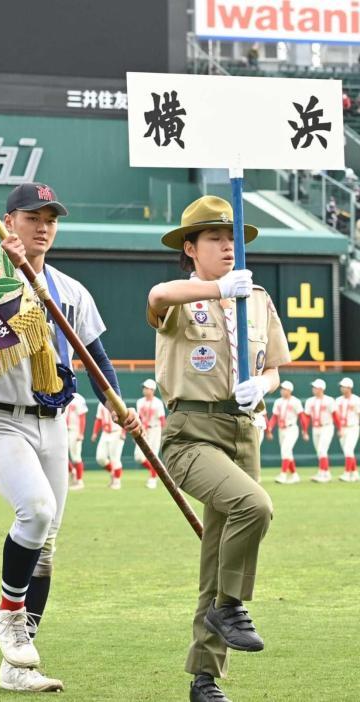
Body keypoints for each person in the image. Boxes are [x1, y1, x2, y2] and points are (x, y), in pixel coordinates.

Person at [0, 183, 138, 692]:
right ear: (8, 221)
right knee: (37, 512)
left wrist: (116, 403)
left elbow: (94, 357)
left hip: (52, 420)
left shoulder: (70, 289)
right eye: (31, 217)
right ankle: (8, 615)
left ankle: (18, 666)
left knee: (46, 547)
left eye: (51, 218)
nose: (43, 226)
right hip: (0, 417)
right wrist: (4, 269)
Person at [146, 195, 289, 702]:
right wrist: (214, 288)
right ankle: (230, 605)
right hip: (191, 431)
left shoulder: (258, 300)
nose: (228, 246)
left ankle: (203, 679)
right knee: (255, 507)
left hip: (243, 430)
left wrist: (265, 386)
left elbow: (273, 364)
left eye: (233, 238)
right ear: (191, 248)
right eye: (214, 238)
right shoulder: (187, 297)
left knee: (215, 560)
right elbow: (159, 295)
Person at [265, 380, 303, 484]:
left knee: (285, 450)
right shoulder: (278, 401)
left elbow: (301, 416)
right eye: (281, 389)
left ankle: (283, 474)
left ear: (290, 390)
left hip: (292, 428)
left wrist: (304, 430)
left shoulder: (296, 401)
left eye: (284, 389)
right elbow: (274, 417)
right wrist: (269, 428)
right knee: (288, 453)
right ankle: (295, 475)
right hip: (281, 429)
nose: (282, 391)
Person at [135, 379, 166, 489]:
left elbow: (162, 419)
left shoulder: (158, 402)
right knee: (138, 456)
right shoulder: (140, 401)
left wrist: (164, 434)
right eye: (144, 388)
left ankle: (152, 478)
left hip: (155, 430)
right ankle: (156, 471)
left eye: (146, 388)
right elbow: (139, 417)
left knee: (153, 456)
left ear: (152, 390)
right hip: (143, 430)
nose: (144, 390)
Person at [303, 379, 336, 483]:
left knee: (322, 450)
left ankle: (323, 473)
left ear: (321, 389)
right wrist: (305, 430)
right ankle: (326, 472)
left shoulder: (329, 400)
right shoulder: (310, 401)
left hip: (326, 426)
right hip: (315, 427)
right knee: (319, 451)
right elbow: (307, 417)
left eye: (315, 387)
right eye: (313, 387)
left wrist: (340, 428)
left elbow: (335, 415)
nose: (313, 389)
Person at [93, 401, 126, 489]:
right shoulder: (101, 403)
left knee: (115, 458)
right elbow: (99, 419)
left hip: (116, 432)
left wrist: (123, 432)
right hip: (105, 433)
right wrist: (95, 433)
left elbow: (125, 418)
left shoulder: (118, 402)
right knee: (100, 458)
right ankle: (113, 472)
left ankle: (117, 481)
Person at [335, 378, 359, 481]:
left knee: (348, 449)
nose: (342, 388)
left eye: (344, 386)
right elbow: (336, 415)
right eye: (341, 386)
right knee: (347, 451)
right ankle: (354, 473)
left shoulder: (356, 399)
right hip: (343, 428)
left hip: (353, 427)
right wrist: (339, 428)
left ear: (349, 387)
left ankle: (347, 473)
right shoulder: (338, 400)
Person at [64, 393, 87, 489]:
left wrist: (81, 433)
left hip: (74, 430)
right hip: (64, 429)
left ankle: (79, 481)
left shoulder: (78, 399)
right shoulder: (62, 396)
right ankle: (72, 471)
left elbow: (82, 417)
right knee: (61, 455)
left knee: (76, 456)